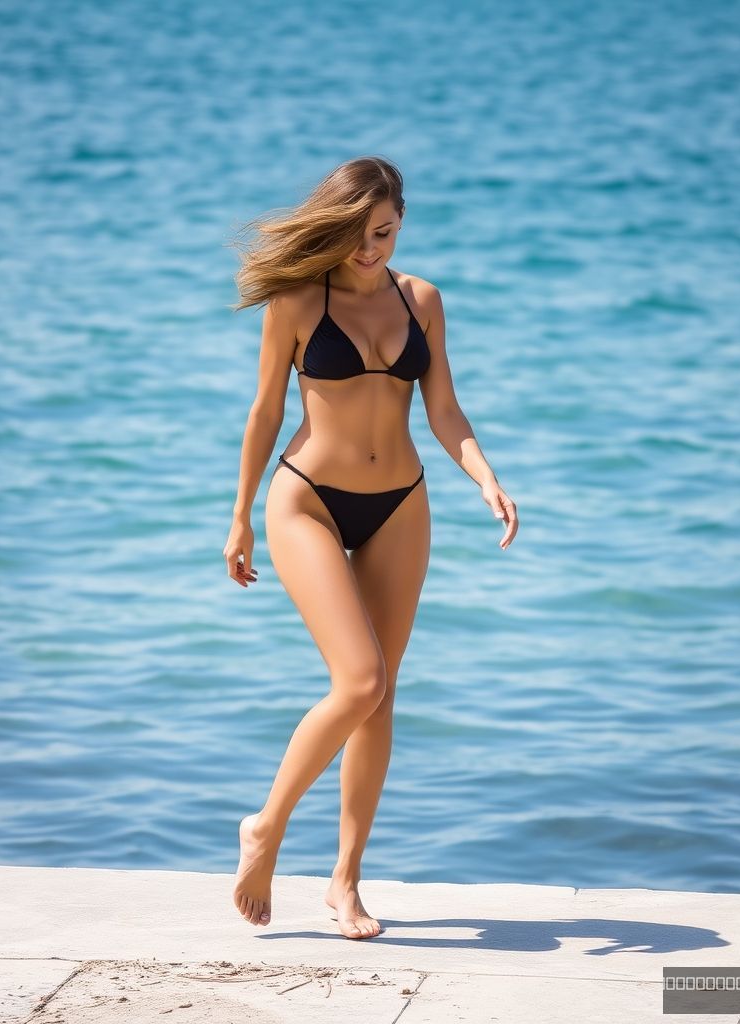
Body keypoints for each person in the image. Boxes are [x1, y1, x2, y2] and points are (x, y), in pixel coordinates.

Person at [223, 155, 518, 940]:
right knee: (357, 679)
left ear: (400, 224)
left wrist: (485, 477)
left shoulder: (421, 300)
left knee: (382, 696)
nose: (368, 250)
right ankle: (266, 827)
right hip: (308, 501)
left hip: (402, 504)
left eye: (383, 234)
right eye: (355, 236)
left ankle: (345, 882)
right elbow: (263, 412)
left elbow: (444, 406)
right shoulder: (295, 299)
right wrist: (242, 514)